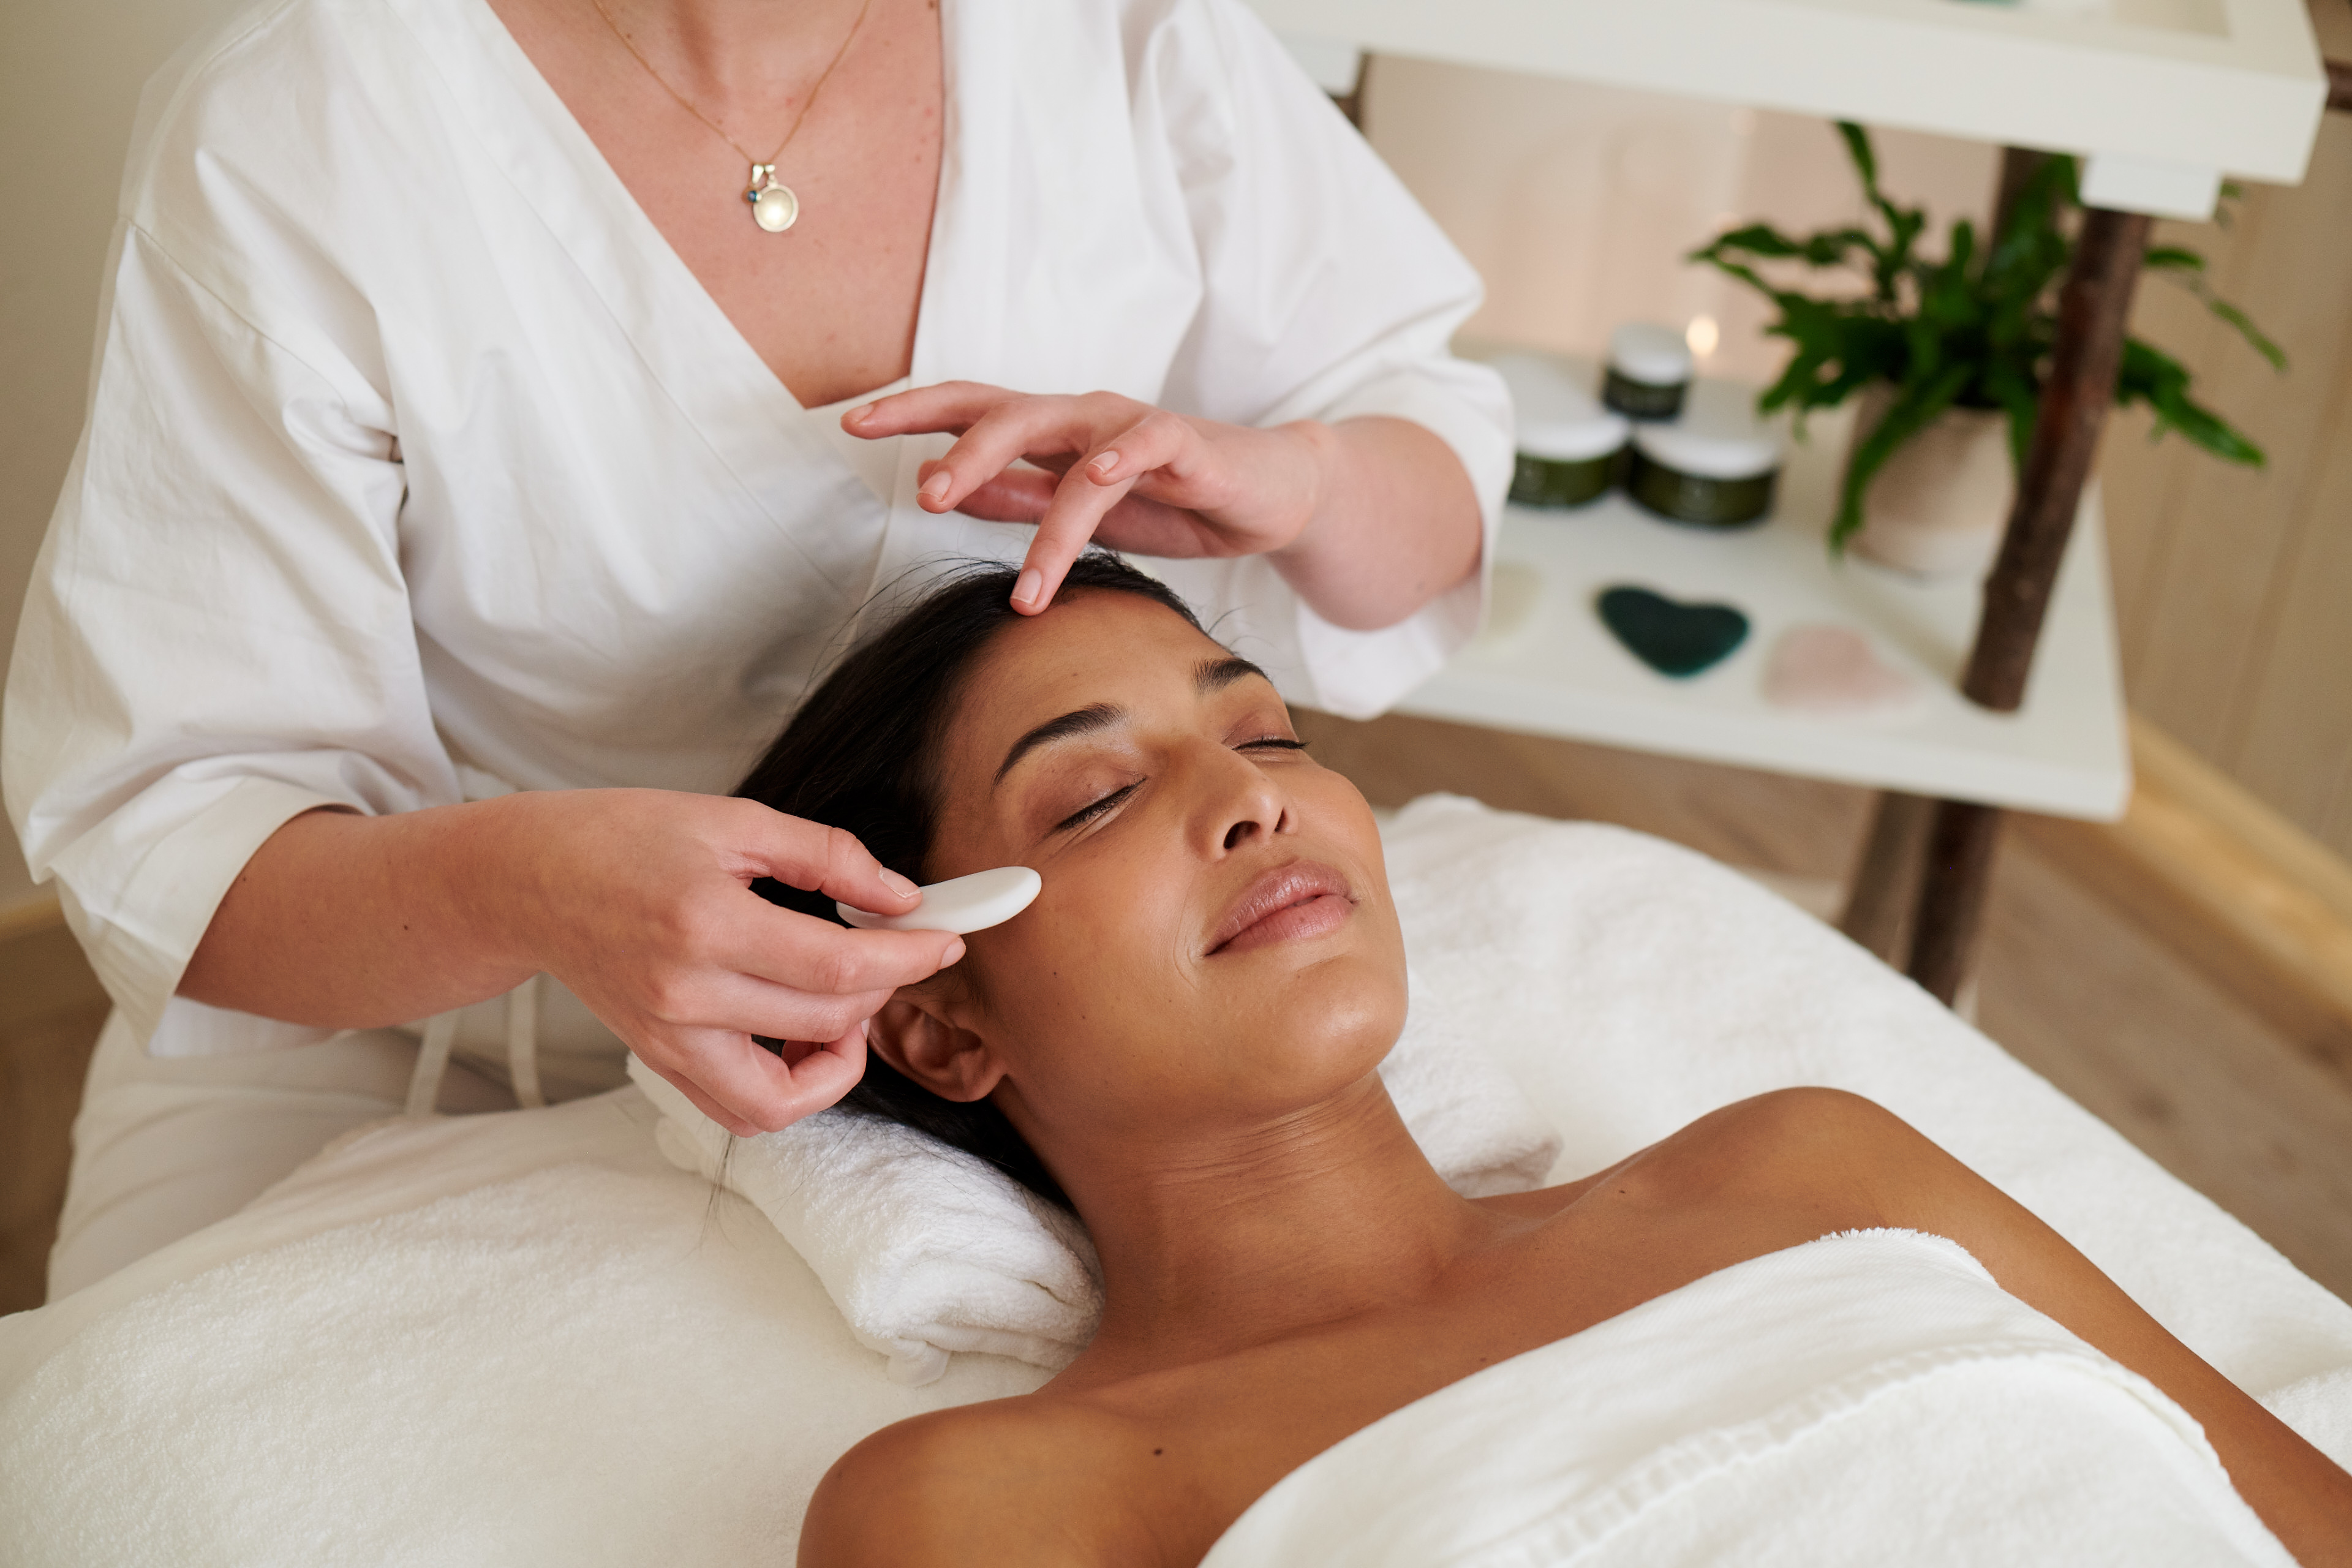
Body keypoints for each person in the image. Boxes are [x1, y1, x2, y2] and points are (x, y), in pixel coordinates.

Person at [2, 0, 1509, 1295]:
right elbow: (181, 839)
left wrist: (1297, 479)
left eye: (1256, 735)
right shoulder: (307, 132)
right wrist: (538, 888)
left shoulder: (1122, 40)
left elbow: (1426, 479)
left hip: (1033, 1049)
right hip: (434, 1036)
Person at [720, 556, 2352, 1566]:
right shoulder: (992, 1503)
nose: (1257, 797)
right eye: (1093, 799)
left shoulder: (1802, 1173)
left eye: (1269, 731)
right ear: (941, 1024)